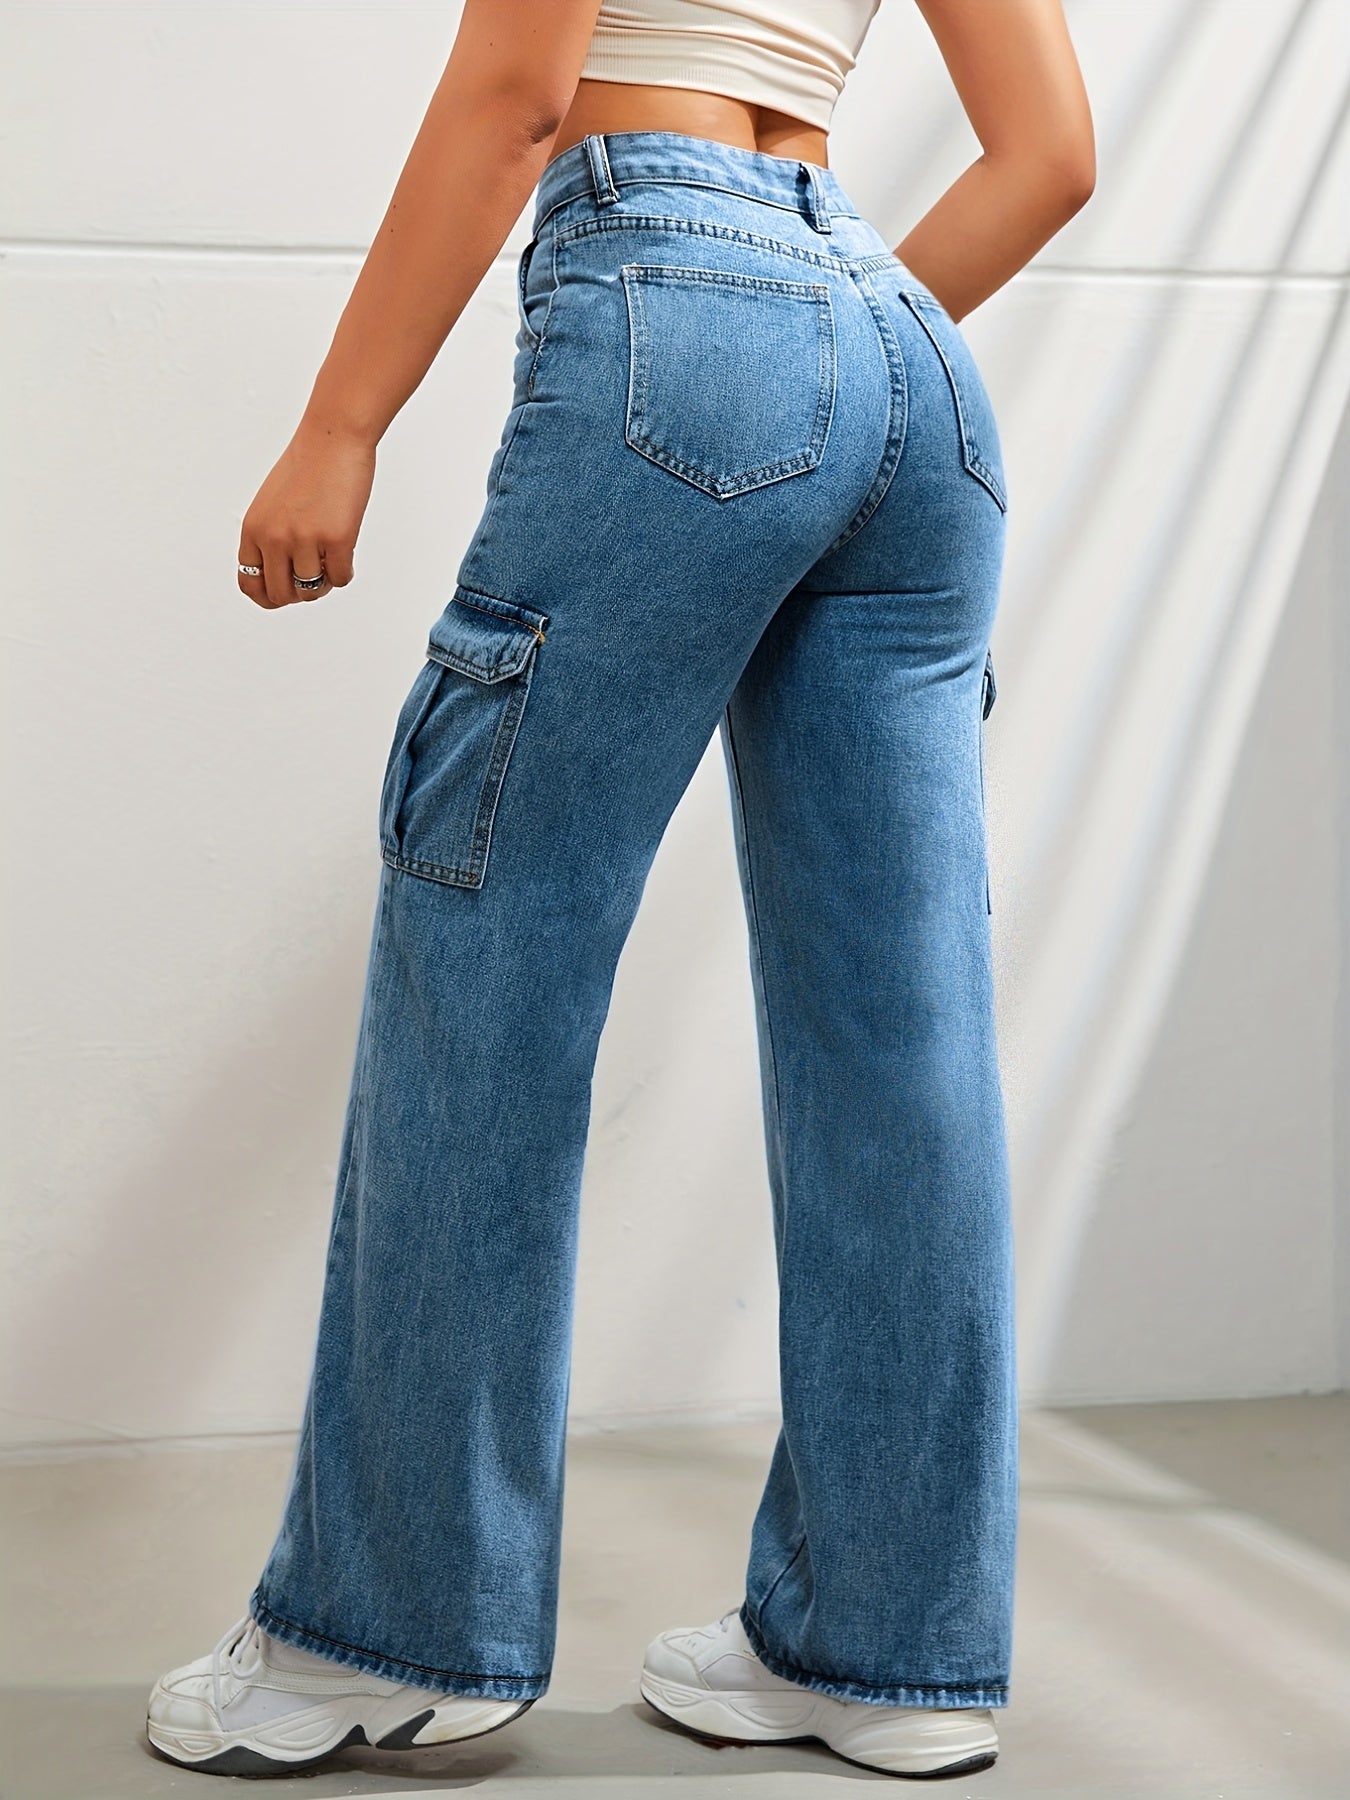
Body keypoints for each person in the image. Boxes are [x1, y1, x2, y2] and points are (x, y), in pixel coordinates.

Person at [146, 0, 1094, 1780]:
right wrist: (835, 344)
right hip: (906, 361)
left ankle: (377, 1635)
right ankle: (885, 1655)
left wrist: (340, 424)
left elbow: (519, 93)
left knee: (485, 967)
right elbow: (1049, 156)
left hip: (670, 286)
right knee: (899, 1031)